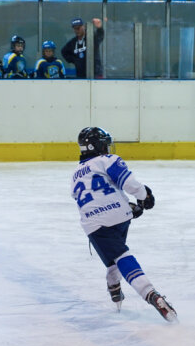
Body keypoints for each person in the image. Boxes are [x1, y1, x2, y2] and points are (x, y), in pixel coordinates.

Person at [71, 126, 177, 322]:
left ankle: (151, 294)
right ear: (97, 146)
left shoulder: (75, 174)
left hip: (96, 224)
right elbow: (128, 182)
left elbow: (92, 199)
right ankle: (114, 288)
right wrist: (144, 196)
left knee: (120, 255)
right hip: (120, 216)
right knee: (115, 257)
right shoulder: (107, 160)